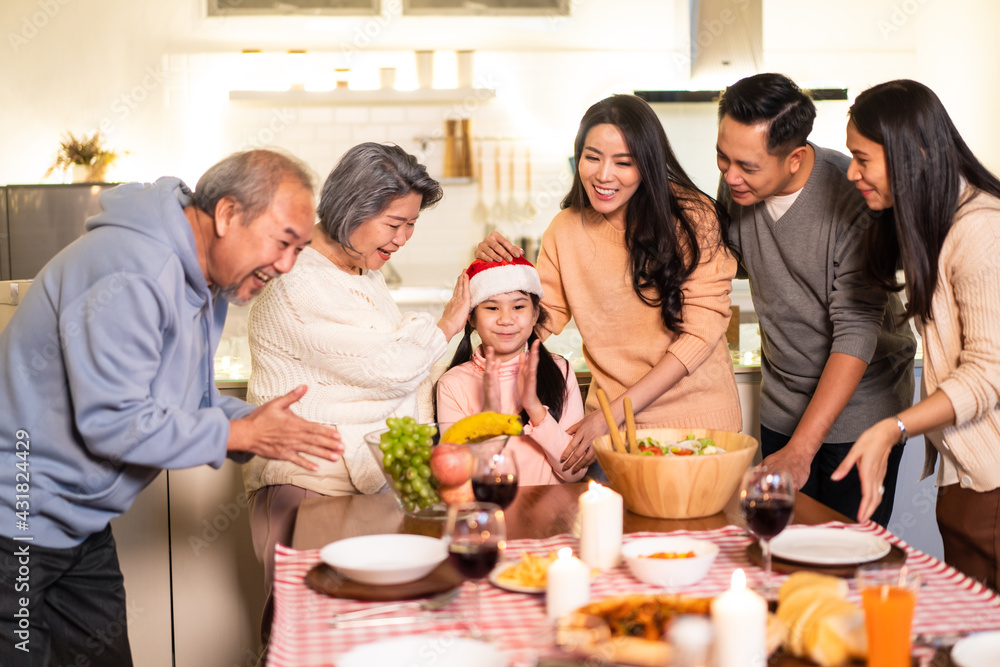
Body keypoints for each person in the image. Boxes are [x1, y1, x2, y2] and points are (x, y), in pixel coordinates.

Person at [0, 149, 345, 666]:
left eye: (299, 248)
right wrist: (241, 436)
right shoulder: (131, 270)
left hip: (78, 525)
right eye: (283, 242)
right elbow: (113, 423)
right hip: (18, 524)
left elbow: (190, 405)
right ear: (227, 214)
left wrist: (257, 424)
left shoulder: (206, 284)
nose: (286, 265)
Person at [242, 143, 470, 632]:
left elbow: (401, 373)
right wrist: (447, 323)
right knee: (302, 632)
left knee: (359, 630)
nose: (404, 238)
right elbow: (390, 367)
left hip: (362, 481)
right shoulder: (296, 280)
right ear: (353, 208)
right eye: (395, 223)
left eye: (411, 224)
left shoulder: (363, 274)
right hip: (308, 483)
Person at [478, 94, 742, 475]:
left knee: (698, 537)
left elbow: (700, 336)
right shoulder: (564, 231)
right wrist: (496, 276)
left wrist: (609, 415)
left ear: (648, 164)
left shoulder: (691, 217)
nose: (603, 175)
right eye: (592, 157)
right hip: (614, 436)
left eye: (624, 162)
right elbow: (536, 322)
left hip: (698, 426)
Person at [714, 73, 916, 525]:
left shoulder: (856, 201)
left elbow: (855, 333)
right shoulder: (737, 186)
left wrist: (802, 451)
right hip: (783, 407)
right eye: (722, 158)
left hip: (862, 414)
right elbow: (728, 261)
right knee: (782, 552)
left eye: (747, 165)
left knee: (844, 559)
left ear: (795, 158)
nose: (730, 176)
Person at [833, 80, 1000, 590]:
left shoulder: (981, 232)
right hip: (968, 480)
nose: (852, 173)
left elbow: (989, 372)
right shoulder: (939, 225)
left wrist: (893, 427)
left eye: (863, 159)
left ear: (915, 154)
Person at [437, 257, 588, 485]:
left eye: (518, 306)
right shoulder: (453, 383)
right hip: (488, 512)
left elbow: (575, 473)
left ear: (535, 314)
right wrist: (489, 417)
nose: (506, 319)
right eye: (491, 307)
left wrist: (535, 409)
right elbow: (455, 478)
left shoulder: (559, 370)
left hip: (551, 516)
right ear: (471, 318)